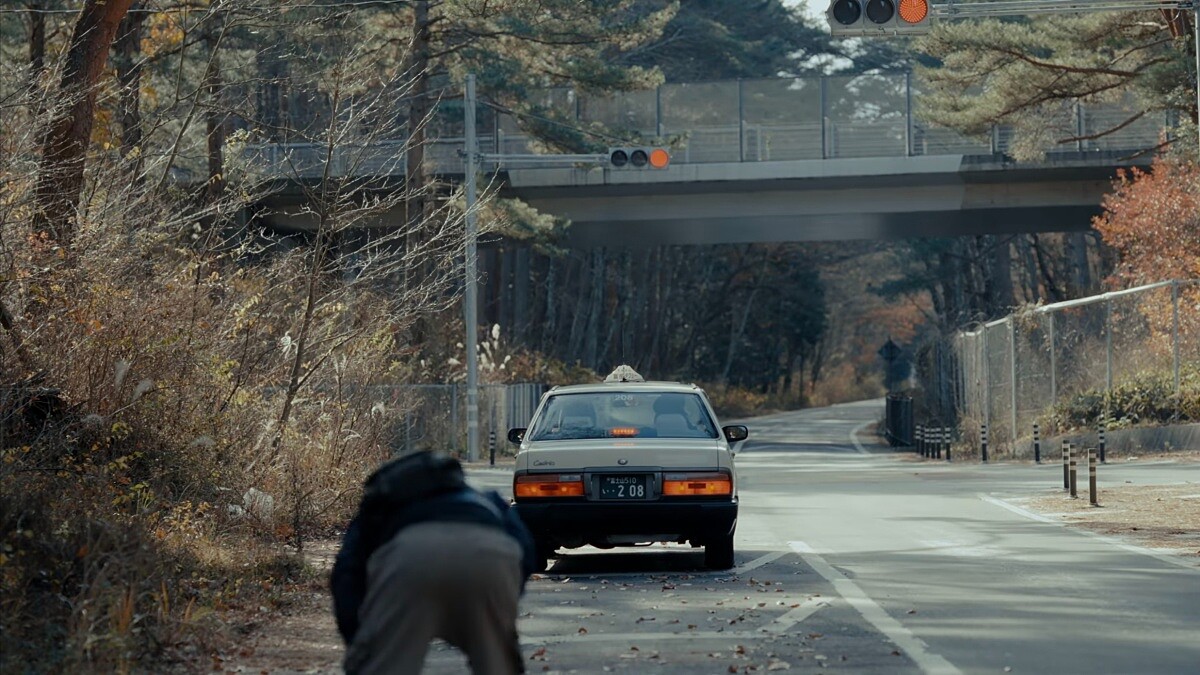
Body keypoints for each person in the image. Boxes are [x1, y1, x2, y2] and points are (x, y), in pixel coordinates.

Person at [331, 450, 537, 675]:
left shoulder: (379, 506)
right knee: (500, 667)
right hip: (489, 554)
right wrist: (503, 606)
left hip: (411, 559)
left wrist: (361, 640)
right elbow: (525, 550)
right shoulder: (484, 498)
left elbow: (346, 572)